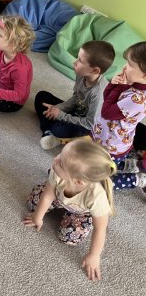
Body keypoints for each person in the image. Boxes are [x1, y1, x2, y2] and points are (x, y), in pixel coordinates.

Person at [23, 139, 115, 281]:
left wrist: (94, 255)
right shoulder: (57, 171)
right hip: (58, 198)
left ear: (78, 181)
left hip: (81, 213)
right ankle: (54, 210)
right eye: (60, 155)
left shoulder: (97, 196)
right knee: (32, 203)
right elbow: (48, 195)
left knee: (68, 238)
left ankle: (69, 218)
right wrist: (38, 217)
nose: (55, 159)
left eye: (61, 162)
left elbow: (100, 229)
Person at [35, 40, 115, 150]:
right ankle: (48, 131)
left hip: (87, 125)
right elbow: (76, 97)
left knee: (59, 129)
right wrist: (59, 108)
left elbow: (90, 124)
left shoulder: (99, 93)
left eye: (80, 60)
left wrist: (61, 115)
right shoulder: (81, 74)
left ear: (95, 70)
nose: (74, 62)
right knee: (41, 97)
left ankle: (53, 132)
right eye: (77, 57)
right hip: (76, 112)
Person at [92, 41, 146, 192]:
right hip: (102, 136)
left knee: (97, 185)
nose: (124, 67)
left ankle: (137, 179)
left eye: (130, 65)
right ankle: (129, 165)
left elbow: (107, 112)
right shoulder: (132, 83)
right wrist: (113, 85)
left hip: (112, 147)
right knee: (91, 164)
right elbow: (107, 98)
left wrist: (119, 87)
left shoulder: (137, 99)